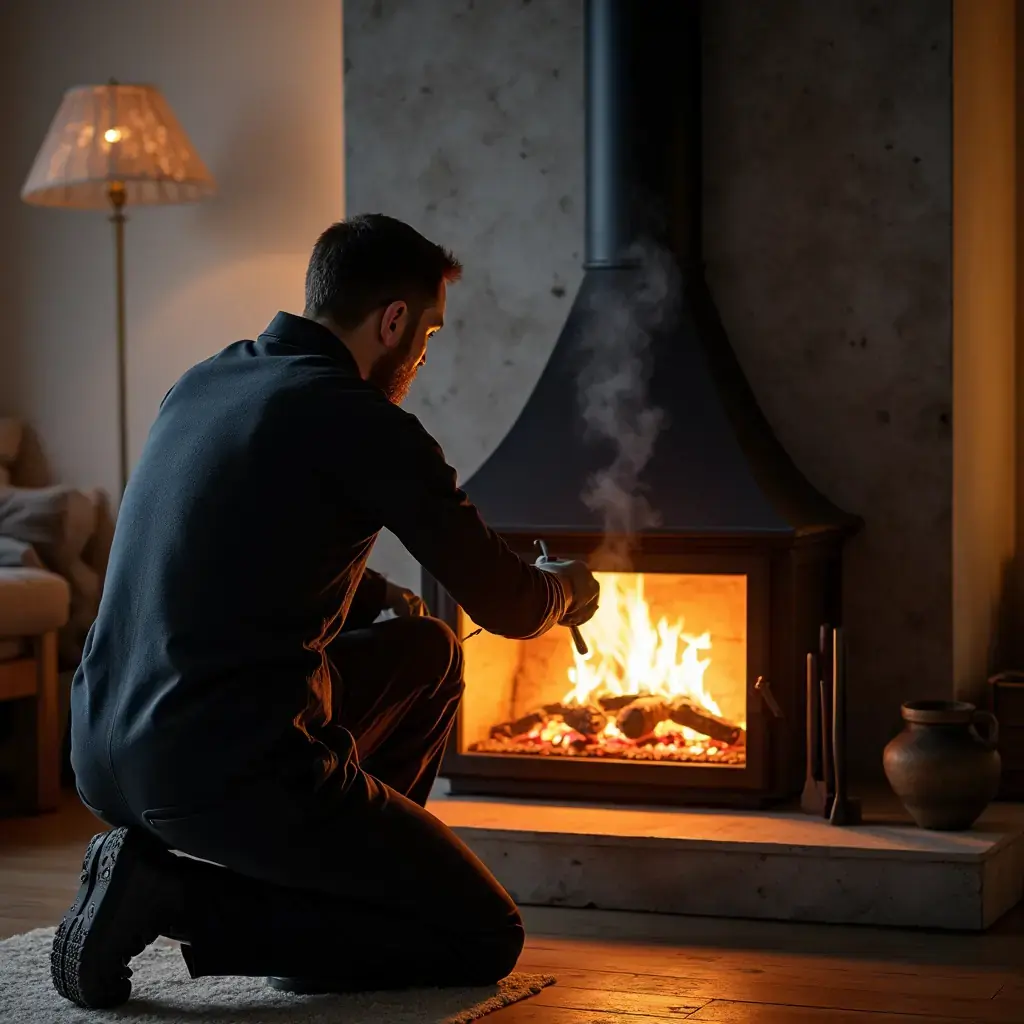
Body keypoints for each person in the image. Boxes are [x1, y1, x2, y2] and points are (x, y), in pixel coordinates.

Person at [53, 214, 600, 1009]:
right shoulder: (366, 421)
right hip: (217, 768)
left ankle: (329, 922)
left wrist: (378, 594)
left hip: (103, 751)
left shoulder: (207, 381)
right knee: (486, 934)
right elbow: (512, 606)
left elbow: (233, 536)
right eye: (429, 334)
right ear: (394, 321)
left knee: (428, 651)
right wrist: (567, 589)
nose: (421, 357)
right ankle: (163, 894)